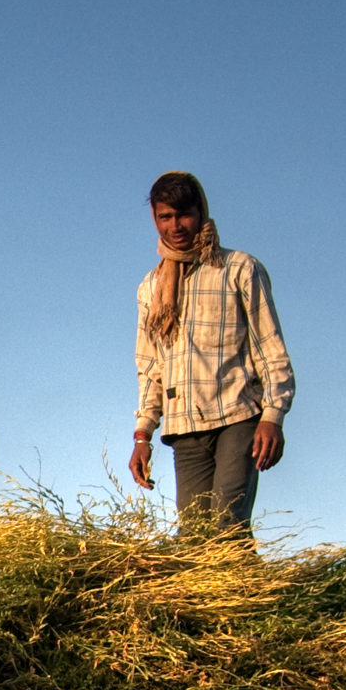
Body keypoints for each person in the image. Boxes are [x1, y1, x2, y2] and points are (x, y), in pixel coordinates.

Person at [125, 171, 295, 529]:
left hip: (238, 416)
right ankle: (249, 586)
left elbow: (270, 348)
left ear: (201, 212)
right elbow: (151, 366)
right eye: (165, 217)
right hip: (184, 426)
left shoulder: (239, 269)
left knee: (226, 524)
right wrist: (143, 435)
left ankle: (254, 584)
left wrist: (272, 416)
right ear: (154, 219)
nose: (176, 226)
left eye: (184, 214)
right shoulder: (151, 288)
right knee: (194, 538)